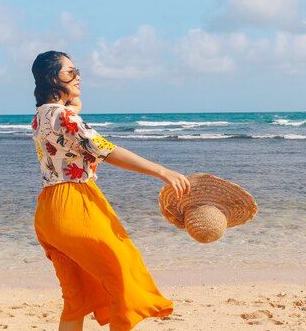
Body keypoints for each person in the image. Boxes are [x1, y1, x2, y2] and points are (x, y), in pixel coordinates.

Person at [30, 50, 191, 331]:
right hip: (75, 204)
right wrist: (162, 171)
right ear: (52, 78)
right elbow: (108, 151)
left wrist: (68, 90)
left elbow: (75, 104)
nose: (78, 75)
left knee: (76, 297)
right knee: (124, 275)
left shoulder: (42, 115)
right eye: (70, 72)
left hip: (47, 211)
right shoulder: (66, 118)